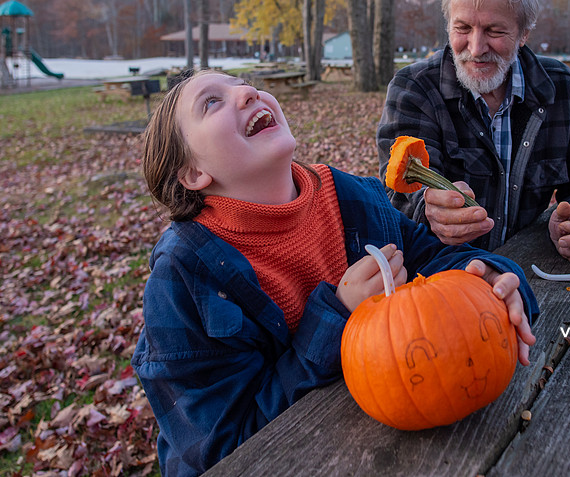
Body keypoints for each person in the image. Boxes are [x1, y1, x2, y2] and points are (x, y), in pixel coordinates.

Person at [131, 70, 538, 477]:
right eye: (211, 102)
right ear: (192, 174)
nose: (247, 92)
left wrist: (490, 279)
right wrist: (337, 314)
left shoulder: (352, 199)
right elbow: (221, 449)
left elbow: (436, 262)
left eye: (243, 82)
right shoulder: (185, 279)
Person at [377, 0, 570, 264]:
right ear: (448, 25)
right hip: (442, 271)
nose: (477, 47)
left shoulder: (558, 87)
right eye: (463, 28)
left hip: (534, 268)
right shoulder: (415, 89)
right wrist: (429, 209)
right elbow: (399, 194)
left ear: (523, 34)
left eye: (494, 31)